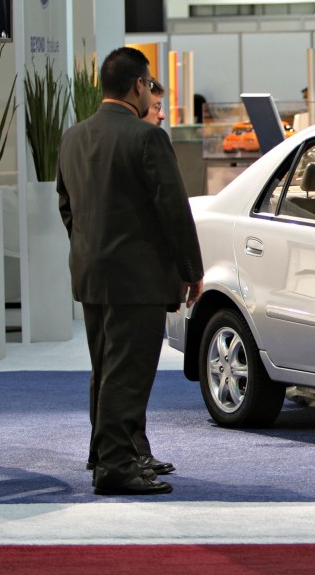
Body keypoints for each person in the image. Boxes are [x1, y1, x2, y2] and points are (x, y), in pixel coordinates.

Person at [56, 47, 204, 495]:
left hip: (91, 272)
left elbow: (66, 205)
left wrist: (90, 248)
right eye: (148, 84)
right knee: (128, 372)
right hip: (137, 277)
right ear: (138, 85)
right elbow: (173, 210)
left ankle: (113, 452)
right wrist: (191, 269)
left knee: (106, 367)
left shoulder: (72, 137)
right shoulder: (147, 138)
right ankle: (117, 466)